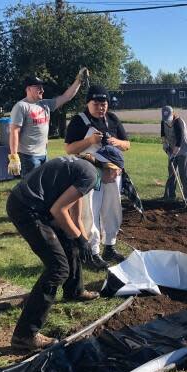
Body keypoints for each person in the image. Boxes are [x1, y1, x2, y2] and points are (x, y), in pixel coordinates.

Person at [6, 154, 120, 351]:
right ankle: (25, 335)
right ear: (110, 168)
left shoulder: (85, 168)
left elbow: (73, 202)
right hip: (27, 209)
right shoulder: (91, 175)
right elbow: (59, 210)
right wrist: (81, 238)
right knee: (57, 268)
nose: (119, 174)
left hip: (36, 205)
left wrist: (79, 236)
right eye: (119, 170)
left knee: (69, 240)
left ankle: (74, 291)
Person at [65, 84, 130, 266]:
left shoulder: (112, 119)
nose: (101, 107)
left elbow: (127, 144)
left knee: (112, 209)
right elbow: (69, 148)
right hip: (90, 174)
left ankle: (109, 246)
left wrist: (116, 142)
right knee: (90, 211)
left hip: (112, 174)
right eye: (97, 103)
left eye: (104, 104)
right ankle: (92, 252)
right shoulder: (79, 121)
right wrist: (90, 141)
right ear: (88, 103)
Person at [8, 68, 88, 177]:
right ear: (28, 89)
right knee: (32, 189)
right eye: (38, 88)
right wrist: (14, 156)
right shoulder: (21, 106)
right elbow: (14, 131)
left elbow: (66, 97)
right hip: (28, 156)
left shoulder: (45, 104)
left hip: (43, 154)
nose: (42, 90)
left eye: (42, 87)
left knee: (43, 186)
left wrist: (78, 80)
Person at [161, 106, 187, 200]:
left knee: (184, 173)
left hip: (183, 149)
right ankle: (170, 195)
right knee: (171, 173)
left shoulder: (178, 122)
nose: (167, 121)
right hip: (171, 149)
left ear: (173, 114)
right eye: (165, 119)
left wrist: (173, 155)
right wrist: (164, 145)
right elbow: (162, 134)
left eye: (168, 119)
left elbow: (179, 141)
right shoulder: (163, 121)